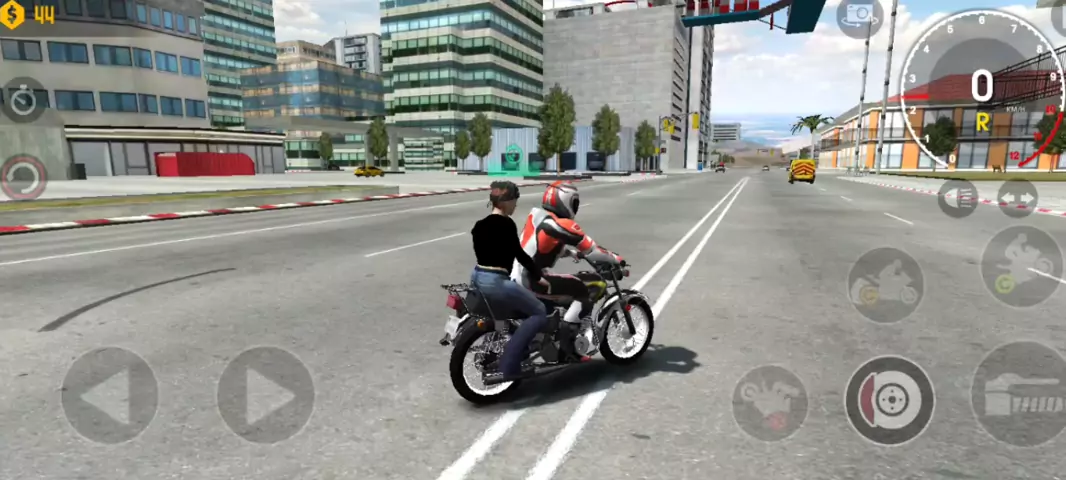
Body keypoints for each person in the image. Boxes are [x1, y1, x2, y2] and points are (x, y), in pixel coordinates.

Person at [511, 181, 624, 361]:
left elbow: (540, 246)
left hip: (517, 274)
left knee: (567, 284)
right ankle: (568, 347)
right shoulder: (563, 225)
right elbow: (593, 250)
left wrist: (570, 253)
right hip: (531, 280)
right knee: (588, 287)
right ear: (567, 201)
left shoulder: (537, 215)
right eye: (575, 202)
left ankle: (553, 333)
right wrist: (616, 259)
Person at [470, 180, 551, 385]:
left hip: (477, 276)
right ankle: (509, 366)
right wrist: (538, 276)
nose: (516, 205)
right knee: (539, 312)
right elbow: (519, 255)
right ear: (505, 201)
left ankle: (514, 343)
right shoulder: (506, 224)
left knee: (511, 312)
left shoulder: (479, 226)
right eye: (514, 200)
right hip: (495, 281)